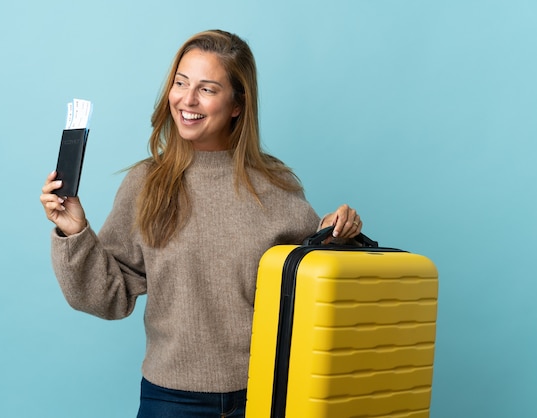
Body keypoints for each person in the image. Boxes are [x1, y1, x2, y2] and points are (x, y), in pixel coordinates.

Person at [40, 29, 362, 418]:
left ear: (237, 104)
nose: (187, 100)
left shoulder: (276, 183)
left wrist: (340, 235)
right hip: (172, 399)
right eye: (180, 83)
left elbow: (307, 286)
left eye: (208, 89)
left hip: (267, 390)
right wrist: (74, 232)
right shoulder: (146, 183)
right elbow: (108, 296)